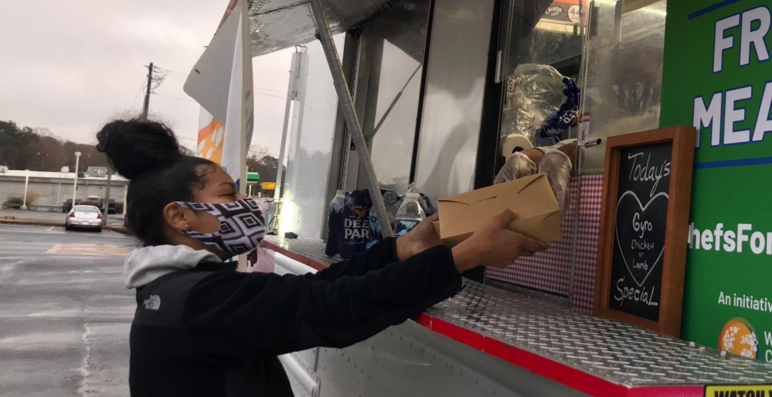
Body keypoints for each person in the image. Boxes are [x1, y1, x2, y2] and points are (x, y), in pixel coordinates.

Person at [96, 118, 548, 397]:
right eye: (229, 194)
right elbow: (332, 310)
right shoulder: (199, 300)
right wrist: (461, 258)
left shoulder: (175, 292)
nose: (247, 204)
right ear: (180, 217)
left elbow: (310, 292)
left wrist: (402, 249)